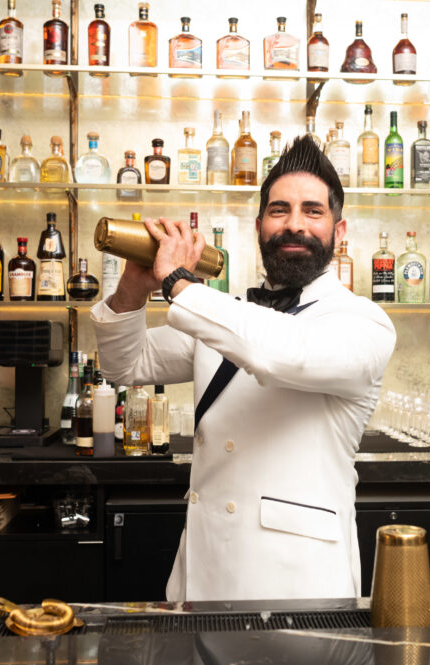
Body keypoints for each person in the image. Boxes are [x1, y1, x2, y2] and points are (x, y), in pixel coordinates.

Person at [90, 136, 396, 602]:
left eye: (313, 211)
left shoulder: (364, 323)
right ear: (258, 226)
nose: (294, 225)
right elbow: (124, 364)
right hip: (201, 574)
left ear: (340, 230)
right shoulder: (223, 314)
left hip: (297, 587)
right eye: (279, 210)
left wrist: (178, 283)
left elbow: (282, 353)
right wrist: (133, 289)